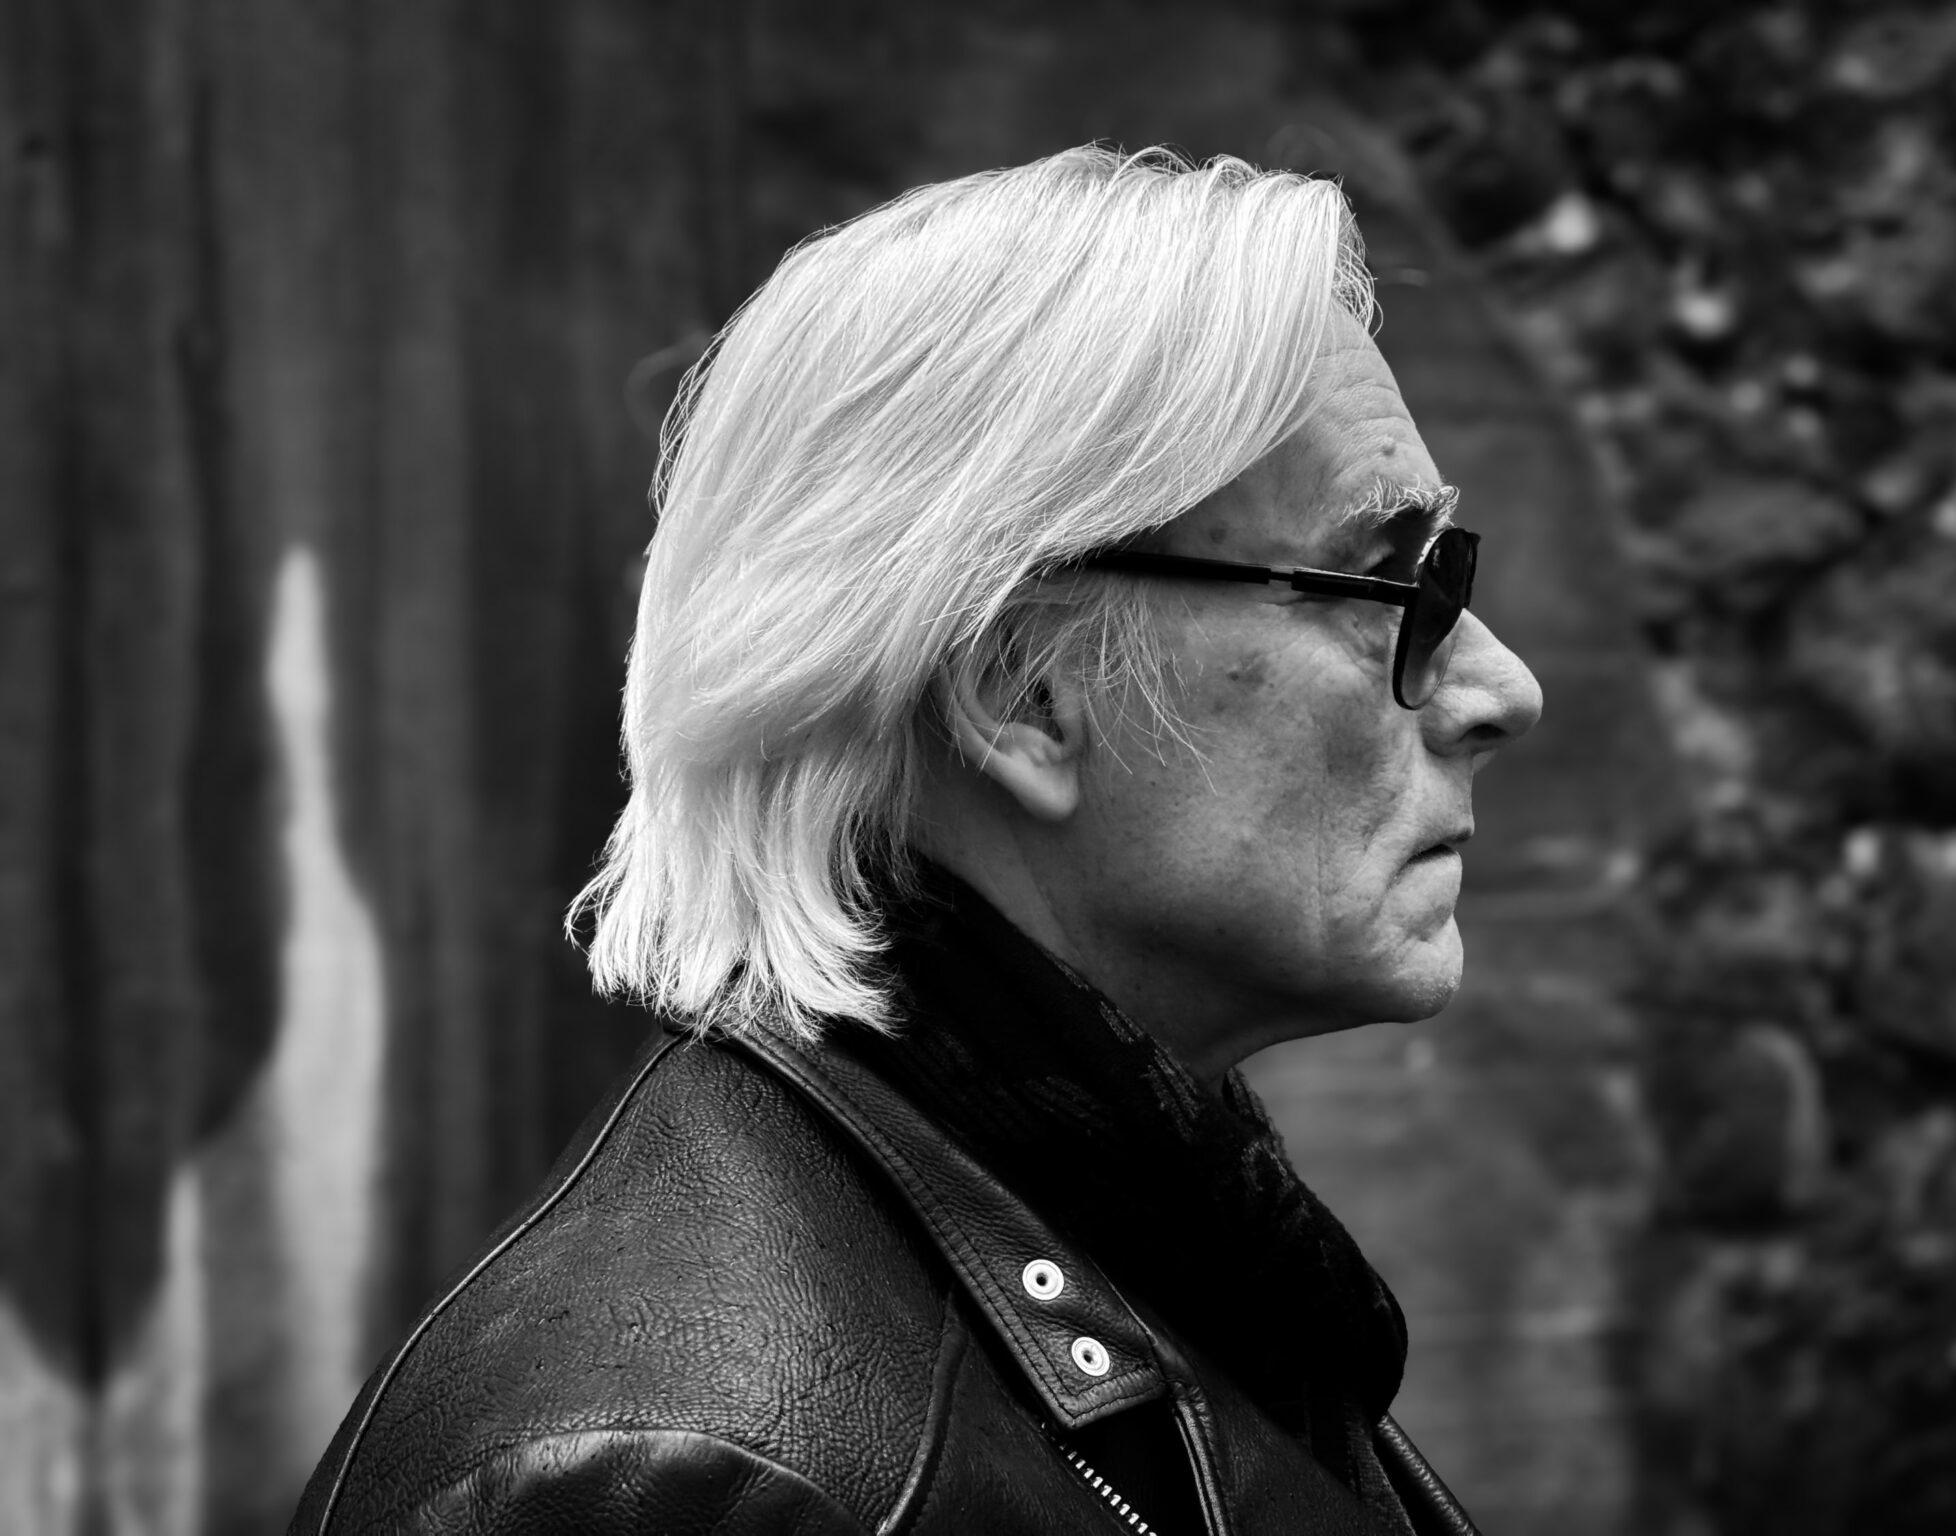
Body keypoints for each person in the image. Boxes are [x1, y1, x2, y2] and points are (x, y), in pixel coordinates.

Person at [292, 144, 1541, 1535]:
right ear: (1020, 692)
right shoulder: (686, 1488)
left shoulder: (1184, 1254)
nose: (1503, 690)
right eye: (1387, 585)